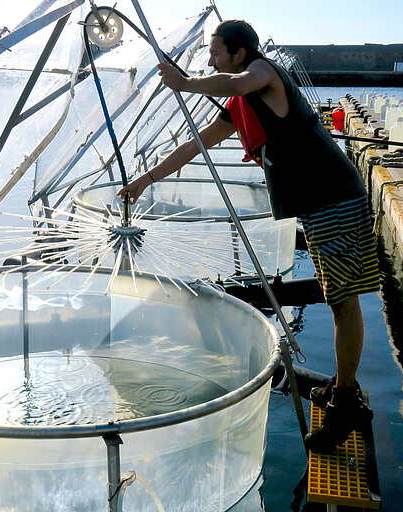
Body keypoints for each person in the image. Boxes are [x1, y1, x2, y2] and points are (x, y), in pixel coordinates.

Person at [117, 20, 379, 452]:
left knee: (342, 299)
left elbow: (238, 81)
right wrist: (145, 180)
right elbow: (196, 144)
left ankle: (345, 402)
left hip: (333, 195)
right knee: (338, 295)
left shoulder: (263, 73)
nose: (210, 61)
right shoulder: (241, 102)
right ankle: (343, 386)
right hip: (316, 201)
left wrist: (186, 84)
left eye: (215, 53)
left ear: (240, 52)